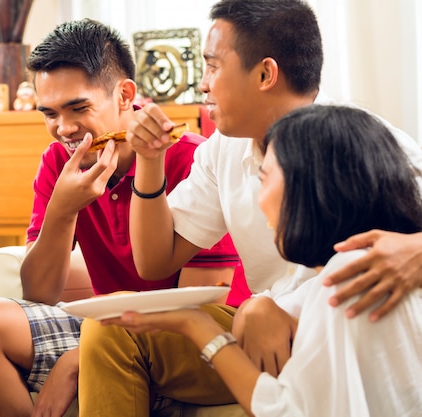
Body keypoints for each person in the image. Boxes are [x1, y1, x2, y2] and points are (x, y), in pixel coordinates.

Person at [78, 0, 422, 415]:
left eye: (213, 66)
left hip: (332, 319)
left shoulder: (365, 145)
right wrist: (149, 162)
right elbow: (153, 263)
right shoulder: (225, 147)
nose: (203, 84)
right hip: (263, 325)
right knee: (113, 331)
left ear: (265, 73)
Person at [0, 19, 244, 417]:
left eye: (79, 108)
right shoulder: (59, 161)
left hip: (191, 334)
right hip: (108, 322)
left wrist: (79, 356)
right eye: (50, 113)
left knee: (109, 336)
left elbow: (201, 302)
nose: (64, 128)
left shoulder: (191, 157)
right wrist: (62, 208)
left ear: (124, 95)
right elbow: (39, 293)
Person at [102, 104, 422, 416]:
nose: (258, 198)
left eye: (265, 178)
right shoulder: (337, 275)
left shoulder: (347, 281)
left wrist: (198, 326)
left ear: (311, 189)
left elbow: (288, 410)